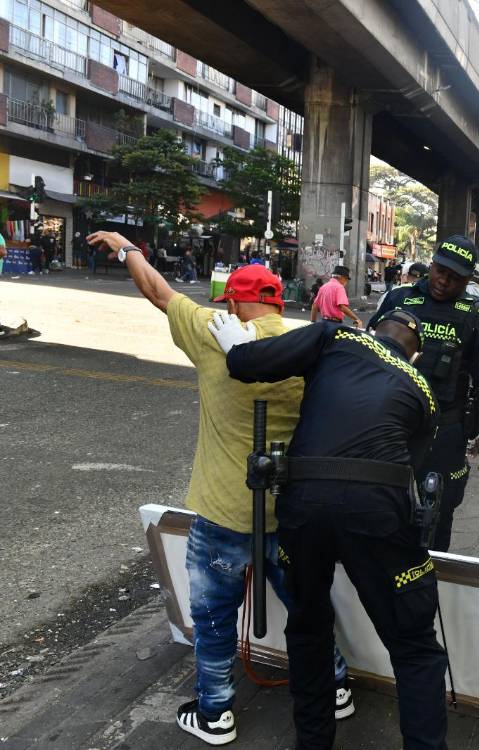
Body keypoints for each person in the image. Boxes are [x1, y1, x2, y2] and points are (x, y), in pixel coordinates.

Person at [84, 231, 350, 746]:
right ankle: (335, 686)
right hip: (291, 514)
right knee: (308, 608)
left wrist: (127, 247)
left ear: (231, 299)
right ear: (278, 299)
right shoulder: (310, 344)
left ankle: (216, 713)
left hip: (223, 514)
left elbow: (158, 291)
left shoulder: (213, 330)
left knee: (212, 618)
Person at [209, 308, 447, 750]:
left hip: (305, 503)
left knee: (308, 628)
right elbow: (410, 469)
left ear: (372, 329)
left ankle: (313, 743)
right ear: (415, 356)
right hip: (377, 510)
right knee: (414, 647)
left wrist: (234, 349)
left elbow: (247, 365)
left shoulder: (336, 337)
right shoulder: (423, 391)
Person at [370, 235, 479, 552]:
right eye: (440, 272)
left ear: (468, 280)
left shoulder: (476, 316)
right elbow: (369, 352)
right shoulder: (398, 299)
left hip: (445, 425)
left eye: (455, 278)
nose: (444, 282)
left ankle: (432, 575)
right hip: (392, 422)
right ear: (432, 266)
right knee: (381, 501)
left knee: (440, 508)